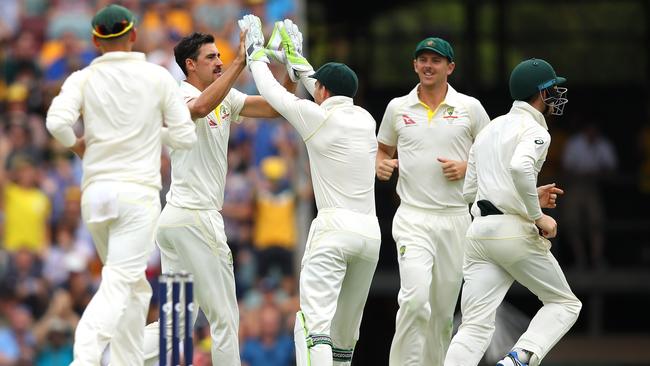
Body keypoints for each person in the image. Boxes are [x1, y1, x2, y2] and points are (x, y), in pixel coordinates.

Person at [45, 4, 196, 365]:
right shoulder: (157, 77)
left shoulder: (82, 78)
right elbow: (185, 138)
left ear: (96, 41)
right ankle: (84, 357)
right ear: (133, 35)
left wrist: (78, 145)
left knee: (134, 288)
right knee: (120, 281)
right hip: (136, 195)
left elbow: (56, 123)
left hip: (96, 195)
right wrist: (149, 135)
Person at [141, 28, 296, 366]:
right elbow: (197, 108)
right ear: (190, 65)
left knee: (176, 324)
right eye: (211, 57)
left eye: (220, 56)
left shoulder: (224, 98)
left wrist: (291, 70)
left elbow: (274, 109)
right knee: (225, 318)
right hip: (195, 218)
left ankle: (110, 357)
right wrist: (241, 61)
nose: (220, 61)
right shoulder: (177, 97)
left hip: (181, 221)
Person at [241, 14, 381, 366]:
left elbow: (272, 93)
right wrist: (296, 58)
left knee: (313, 326)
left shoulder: (317, 118)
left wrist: (255, 51)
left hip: (333, 231)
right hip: (370, 237)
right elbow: (323, 85)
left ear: (322, 92)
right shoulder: (366, 120)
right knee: (345, 336)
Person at [444, 58, 582, 366]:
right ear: (541, 94)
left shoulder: (490, 129)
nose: (557, 95)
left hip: (479, 234)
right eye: (553, 89)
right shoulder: (537, 131)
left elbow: (470, 191)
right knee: (564, 303)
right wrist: (537, 215)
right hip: (513, 233)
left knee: (474, 326)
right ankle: (517, 360)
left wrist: (529, 197)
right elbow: (520, 167)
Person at [375, 37, 491, 366]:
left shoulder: (470, 108)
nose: (428, 65)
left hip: (456, 218)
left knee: (441, 318)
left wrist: (468, 167)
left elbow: (494, 155)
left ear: (450, 67)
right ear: (414, 65)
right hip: (413, 217)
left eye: (436, 60)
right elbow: (382, 149)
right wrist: (380, 164)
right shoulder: (398, 108)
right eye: (422, 59)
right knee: (414, 302)